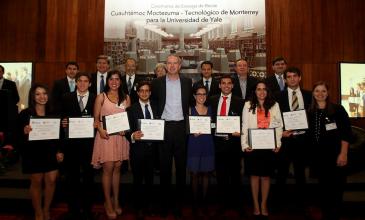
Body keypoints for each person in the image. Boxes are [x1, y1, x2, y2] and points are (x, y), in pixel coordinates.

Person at [151, 54, 192, 218]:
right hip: (164, 127)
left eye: (175, 63)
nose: (172, 66)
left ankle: (179, 203)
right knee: (164, 167)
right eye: (169, 63)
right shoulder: (157, 83)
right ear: (165, 65)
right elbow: (153, 103)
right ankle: (165, 203)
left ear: (180, 65)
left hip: (181, 128)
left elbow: (191, 103)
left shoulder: (187, 82)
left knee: (181, 168)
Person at [307, 81, 352, 220]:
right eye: (317, 91)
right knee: (323, 189)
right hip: (318, 158)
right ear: (313, 93)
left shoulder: (338, 110)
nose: (320, 94)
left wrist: (343, 153)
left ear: (328, 93)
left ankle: (335, 215)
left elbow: (346, 133)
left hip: (336, 155)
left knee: (337, 189)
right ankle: (326, 214)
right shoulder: (310, 111)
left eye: (323, 91)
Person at [18, 83, 63, 220]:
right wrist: (24, 131)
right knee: (36, 182)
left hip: (51, 151)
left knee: (51, 180)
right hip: (33, 153)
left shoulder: (54, 112)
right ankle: (38, 212)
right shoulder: (25, 114)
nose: (42, 97)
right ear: (33, 96)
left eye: (44, 93)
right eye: (38, 94)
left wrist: (60, 150)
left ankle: (46, 209)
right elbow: (16, 135)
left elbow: (60, 134)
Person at [91, 70, 130, 219]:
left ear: (120, 81)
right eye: (111, 79)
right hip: (106, 137)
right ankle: (107, 202)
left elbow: (128, 119)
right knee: (108, 169)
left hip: (120, 138)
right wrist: (100, 130)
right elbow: (96, 120)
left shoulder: (126, 97)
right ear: (107, 81)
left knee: (118, 169)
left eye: (117, 79)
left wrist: (126, 130)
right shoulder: (101, 97)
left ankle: (116, 200)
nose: (114, 82)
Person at [241, 81, 283, 217]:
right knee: (254, 177)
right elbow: (244, 126)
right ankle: (255, 204)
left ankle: (264, 204)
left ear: (268, 91)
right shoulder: (248, 105)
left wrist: (278, 143)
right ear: (255, 91)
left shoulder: (275, 105)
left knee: (265, 177)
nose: (261, 92)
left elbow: (278, 126)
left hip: (269, 146)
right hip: (253, 146)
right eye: (259, 89)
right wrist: (245, 144)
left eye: (264, 89)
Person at [60, 72, 96, 220]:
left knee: (89, 178)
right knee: (72, 178)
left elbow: (100, 118)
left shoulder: (96, 98)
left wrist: (97, 123)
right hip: (71, 145)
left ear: (90, 83)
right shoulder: (66, 97)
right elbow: (61, 116)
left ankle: (87, 209)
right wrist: (62, 122)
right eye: (79, 81)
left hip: (89, 145)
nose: (82, 83)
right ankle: (73, 209)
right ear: (75, 83)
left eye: (85, 81)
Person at [276, 67, 312, 209]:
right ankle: (279, 204)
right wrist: (281, 132)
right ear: (285, 80)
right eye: (289, 77)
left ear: (300, 78)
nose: (292, 79)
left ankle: (301, 204)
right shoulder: (278, 96)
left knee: (301, 174)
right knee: (281, 173)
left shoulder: (309, 95)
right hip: (285, 140)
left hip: (303, 140)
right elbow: (274, 118)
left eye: (294, 76)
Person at [209, 75, 244, 215]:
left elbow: (245, 122)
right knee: (221, 176)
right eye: (223, 83)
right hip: (217, 144)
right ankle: (222, 204)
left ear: (233, 86)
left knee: (236, 176)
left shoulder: (240, 102)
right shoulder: (211, 100)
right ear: (219, 86)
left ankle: (236, 204)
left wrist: (240, 131)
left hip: (234, 144)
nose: (226, 86)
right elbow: (207, 119)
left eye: (229, 83)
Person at [127, 81, 158, 219]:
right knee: (138, 180)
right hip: (137, 150)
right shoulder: (131, 109)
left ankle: (149, 205)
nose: (144, 93)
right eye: (142, 91)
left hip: (153, 150)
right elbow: (127, 129)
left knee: (150, 179)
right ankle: (138, 207)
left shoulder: (157, 107)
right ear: (138, 93)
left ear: (150, 93)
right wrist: (133, 135)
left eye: (147, 91)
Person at [187, 84, 215, 214]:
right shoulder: (189, 109)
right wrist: (191, 132)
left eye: (204, 94)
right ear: (194, 96)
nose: (201, 96)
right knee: (194, 174)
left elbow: (215, 126)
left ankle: (204, 202)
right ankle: (194, 202)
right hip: (194, 144)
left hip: (208, 143)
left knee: (205, 174)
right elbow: (186, 128)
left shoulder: (211, 109)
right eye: (199, 94)